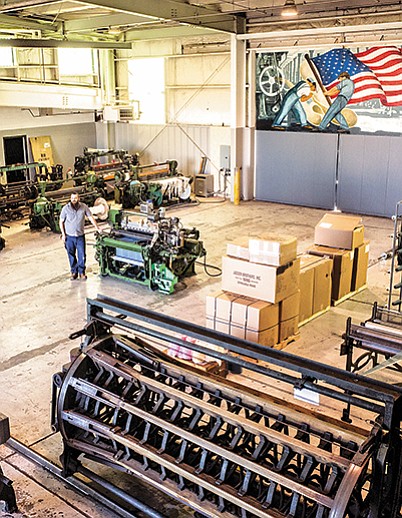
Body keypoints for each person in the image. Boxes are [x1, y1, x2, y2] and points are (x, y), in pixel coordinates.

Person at [59, 192, 100, 280]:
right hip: (69, 237)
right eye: (72, 198)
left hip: (80, 236)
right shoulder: (65, 209)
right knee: (71, 255)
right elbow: (61, 221)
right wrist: (63, 234)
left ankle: (81, 272)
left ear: (79, 199)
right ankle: (74, 272)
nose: (74, 200)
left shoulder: (84, 207)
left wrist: (97, 227)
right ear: (70, 199)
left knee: (82, 255)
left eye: (75, 198)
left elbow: (90, 217)